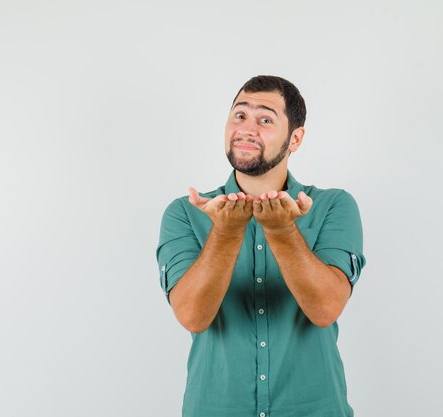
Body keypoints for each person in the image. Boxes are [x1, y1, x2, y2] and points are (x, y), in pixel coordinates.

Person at [156, 75, 366, 417]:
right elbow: (192, 315)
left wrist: (281, 231)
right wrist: (225, 233)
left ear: (295, 138)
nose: (246, 128)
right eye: (239, 115)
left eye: (265, 119)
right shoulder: (184, 213)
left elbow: (325, 308)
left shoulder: (333, 206)